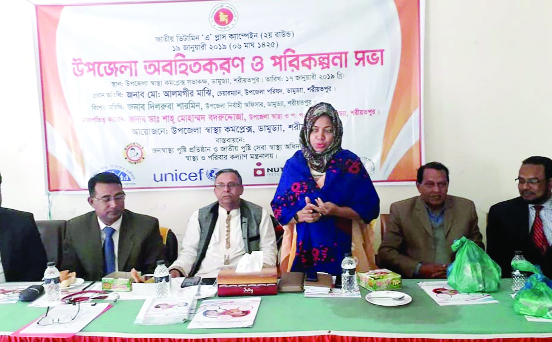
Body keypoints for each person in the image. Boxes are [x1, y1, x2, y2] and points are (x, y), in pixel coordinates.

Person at [271, 102, 379, 276]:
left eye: (327, 130)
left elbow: (370, 208)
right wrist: (299, 215)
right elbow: (279, 208)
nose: (320, 136)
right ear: (306, 131)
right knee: (306, 297)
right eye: (314, 129)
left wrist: (337, 210)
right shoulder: (294, 165)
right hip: (305, 245)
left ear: (336, 133)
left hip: (346, 247)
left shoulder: (350, 163)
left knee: (347, 296)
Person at [486, 156, 552, 302]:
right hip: (516, 297)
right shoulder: (501, 213)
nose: (525, 187)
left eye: (533, 181)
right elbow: (495, 262)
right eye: (521, 181)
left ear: (551, 182)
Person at [377, 162, 484, 278]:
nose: (436, 190)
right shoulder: (401, 210)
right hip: (416, 280)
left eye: (442, 184)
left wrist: (457, 267)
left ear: (448, 185)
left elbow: (477, 248)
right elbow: (386, 252)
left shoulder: (466, 208)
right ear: (418, 186)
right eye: (430, 184)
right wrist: (419, 268)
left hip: (459, 279)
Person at [168, 169, 277, 278]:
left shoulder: (259, 214)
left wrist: (260, 273)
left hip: (245, 278)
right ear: (215, 190)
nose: (226, 189)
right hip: (206, 277)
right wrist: (176, 270)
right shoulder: (199, 216)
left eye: (232, 185)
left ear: (241, 189)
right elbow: (189, 253)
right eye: (220, 185)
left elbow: (269, 251)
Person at [61, 172, 164, 281]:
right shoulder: (75, 228)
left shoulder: (145, 226)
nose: (114, 204)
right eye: (106, 199)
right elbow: (70, 274)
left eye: (119, 197)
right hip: (92, 294)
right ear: (91, 202)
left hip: (134, 291)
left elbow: (156, 271)